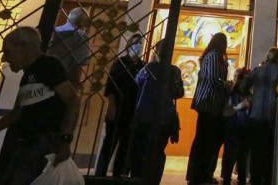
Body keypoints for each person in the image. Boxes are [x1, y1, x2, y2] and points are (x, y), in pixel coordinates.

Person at [0, 26, 80, 185]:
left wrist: (65, 141)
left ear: (23, 46)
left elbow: (73, 100)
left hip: (44, 146)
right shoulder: (27, 76)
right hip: (27, 145)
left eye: (7, 51)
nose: (4, 59)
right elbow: (16, 113)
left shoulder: (49, 66)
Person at [129, 39, 184, 184]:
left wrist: (150, 63)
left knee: (140, 152)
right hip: (164, 117)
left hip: (144, 115)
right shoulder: (174, 71)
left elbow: (136, 81)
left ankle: (138, 179)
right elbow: (179, 93)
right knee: (158, 153)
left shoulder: (148, 69)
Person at [244, 47, 278, 185]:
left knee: (256, 153)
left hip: (255, 118)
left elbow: (243, 86)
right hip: (272, 120)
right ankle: (268, 180)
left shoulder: (256, 71)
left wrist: (252, 98)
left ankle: (255, 179)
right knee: (270, 153)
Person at [94, 33, 145, 177]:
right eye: (136, 43)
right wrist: (112, 106)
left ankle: (118, 175)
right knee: (109, 143)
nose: (138, 46)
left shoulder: (143, 66)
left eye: (140, 43)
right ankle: (100, 174)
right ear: (129, 46)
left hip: (133, 109)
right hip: (118, 107)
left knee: (126, 145)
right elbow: (111, 86)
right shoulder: (120, 63)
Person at [186, 32, 232, 185]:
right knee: (203, 140)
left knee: (209, 141)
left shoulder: (218, 58)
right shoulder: (213, 56)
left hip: (214, 105)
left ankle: (203, 174)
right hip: (208, 103)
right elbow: (212, 79)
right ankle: (196, 175)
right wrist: (226, 85)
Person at [220, 67, 251, 185]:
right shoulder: (232, 93)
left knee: (243, 158)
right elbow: (226, 112)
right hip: (233, 129)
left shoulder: (249, 94)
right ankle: (226, 179)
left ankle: (241, 180)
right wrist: (239, 107)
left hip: (246, 130)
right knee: (230, 157)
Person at [48, 6, 90, 86]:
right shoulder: (81, 35)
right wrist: (75, 85)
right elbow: (78, 63)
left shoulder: (54, 31)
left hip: (46, 73)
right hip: (64, 78)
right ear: (84, 22)